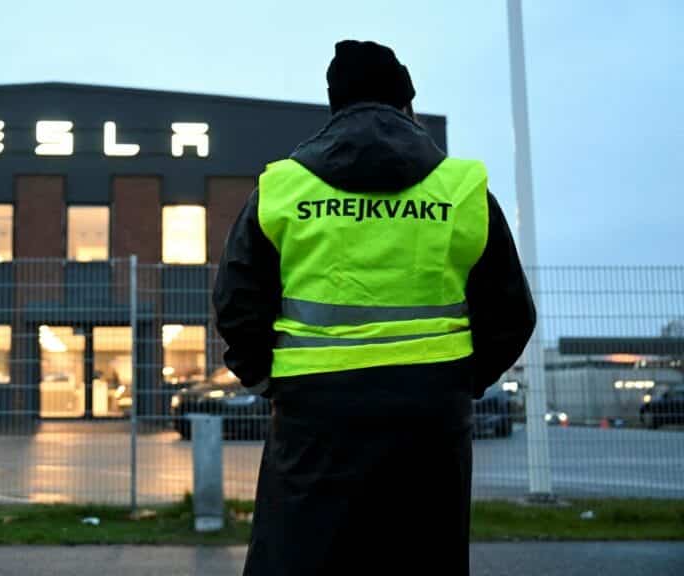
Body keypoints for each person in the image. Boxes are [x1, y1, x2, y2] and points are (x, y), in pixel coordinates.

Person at [213, 39, 536, 575]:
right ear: (406, 104)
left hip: (314, 418)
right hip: (429, 421)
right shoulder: (462, 190)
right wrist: (459, 382)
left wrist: (269, 381)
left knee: (303, 558)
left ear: (334, 105)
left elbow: (236, 303)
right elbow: (511, 315)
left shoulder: (283, 188)